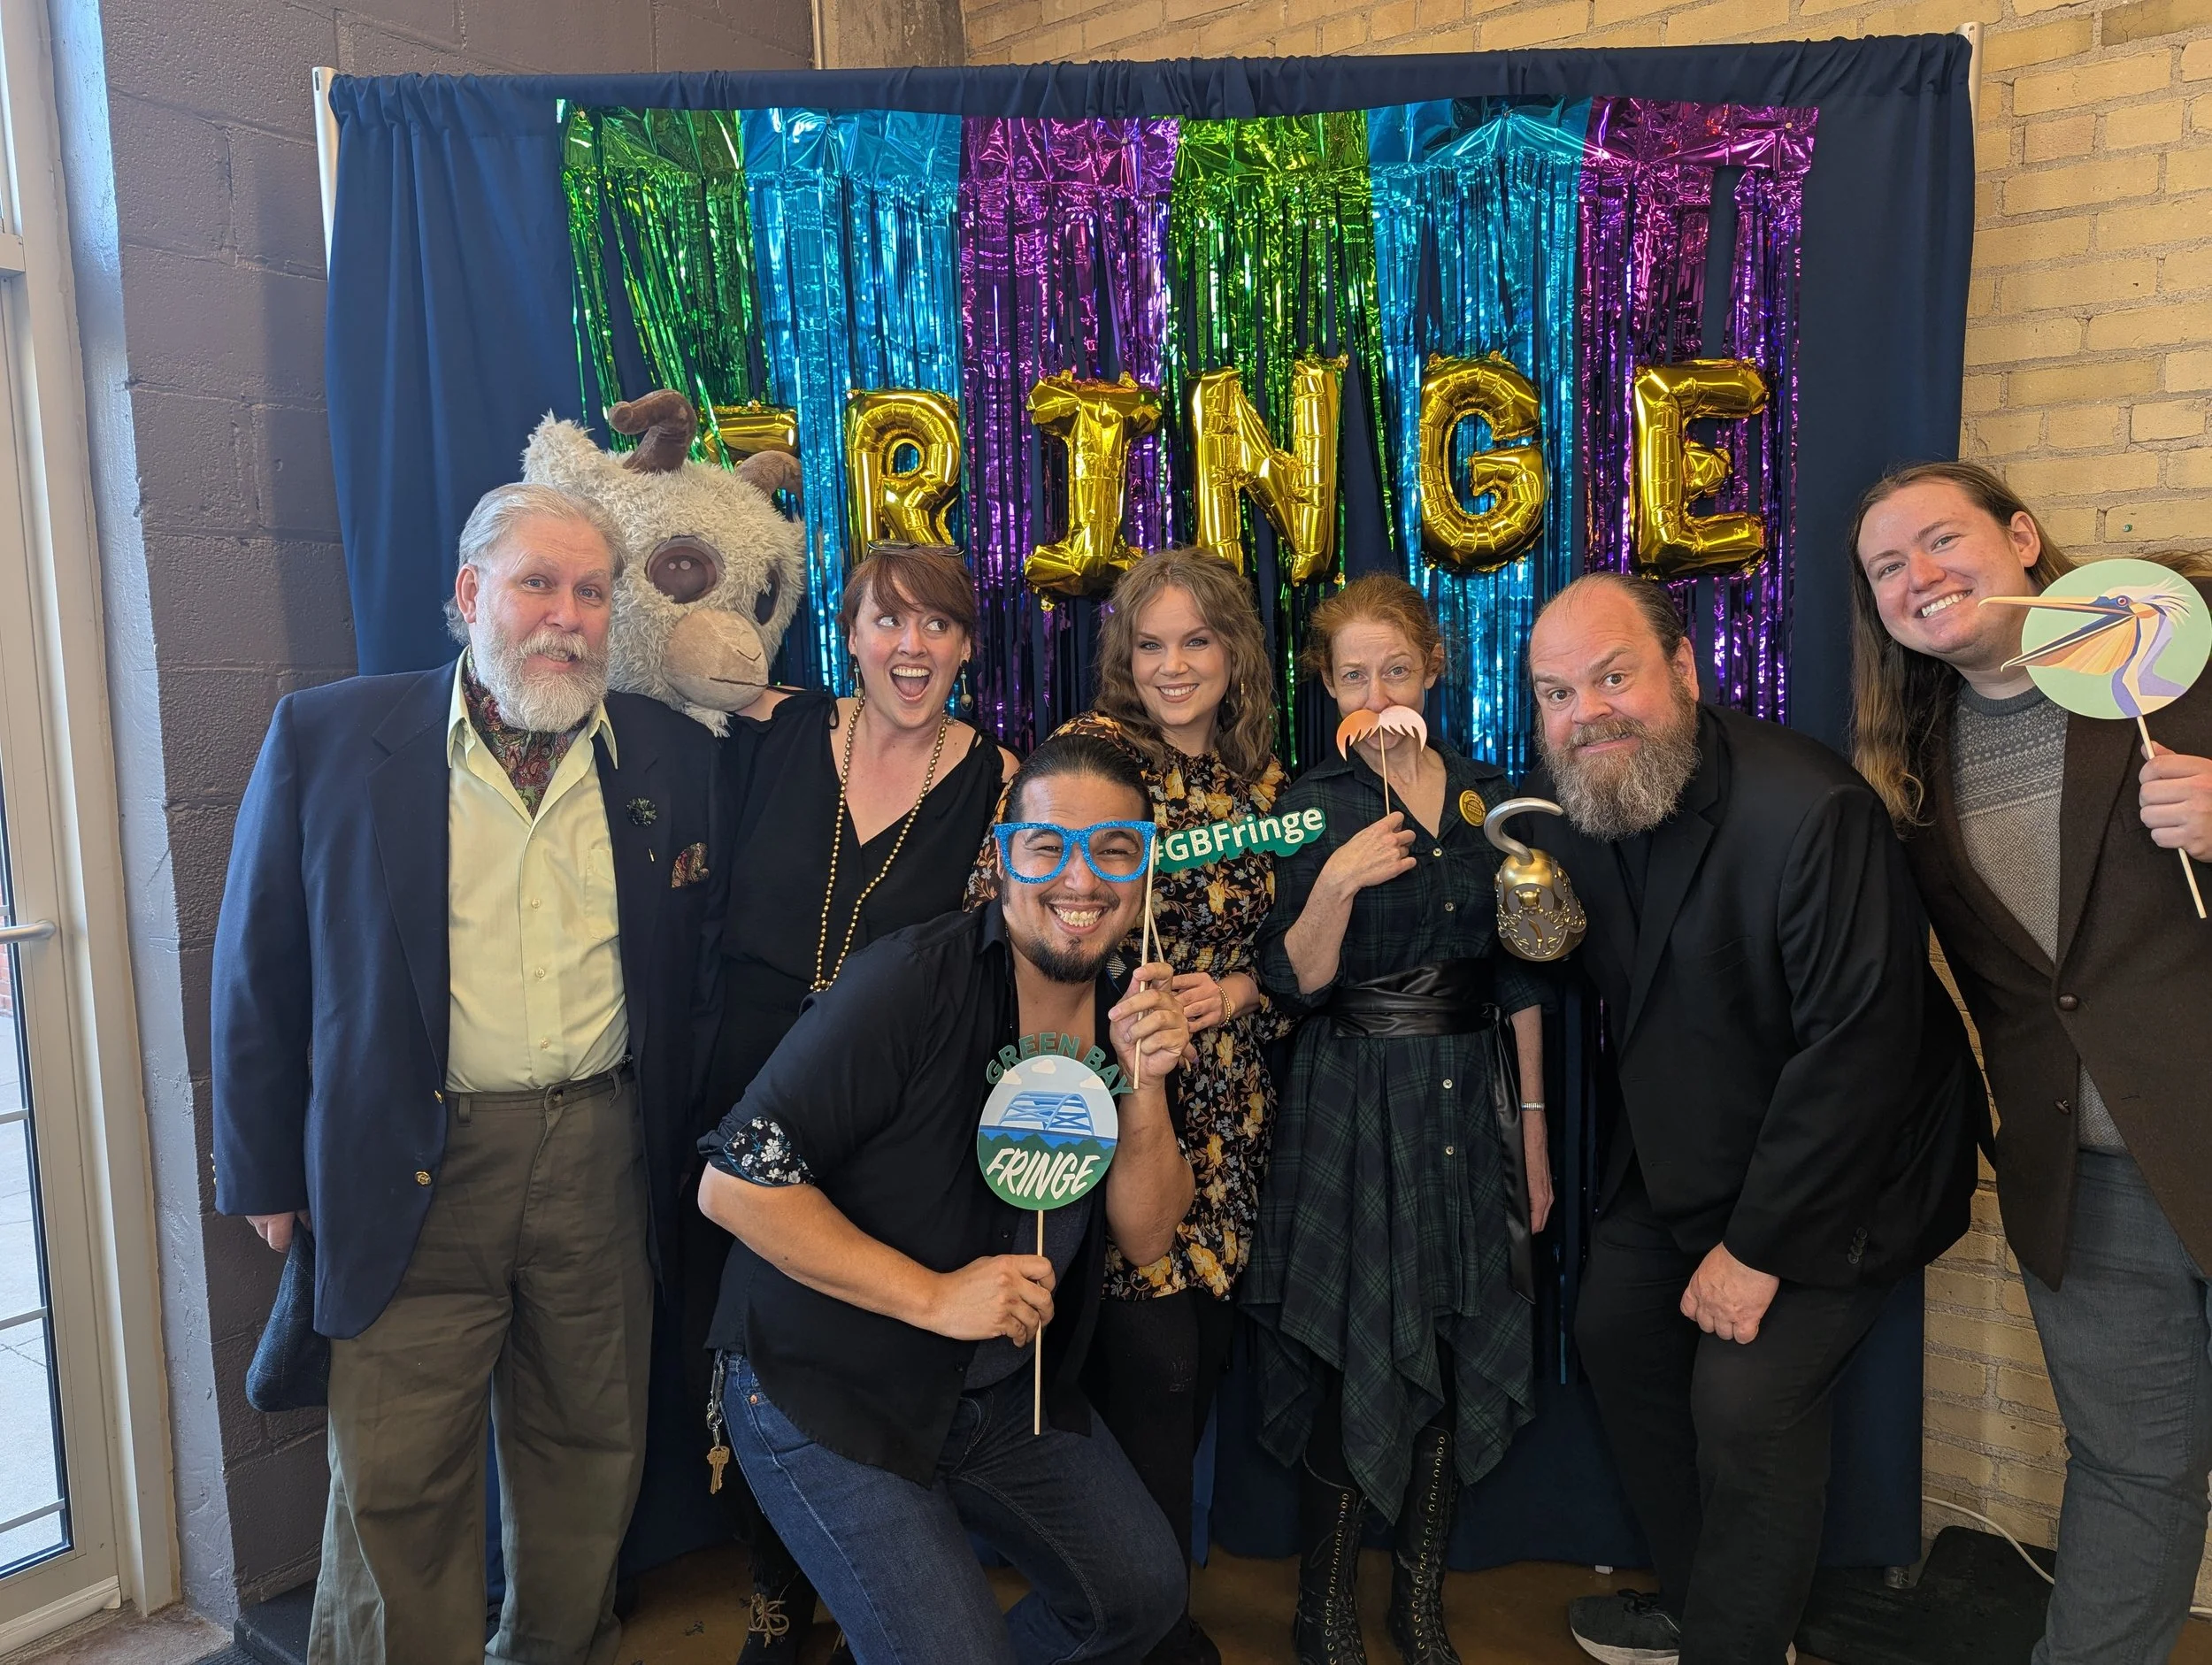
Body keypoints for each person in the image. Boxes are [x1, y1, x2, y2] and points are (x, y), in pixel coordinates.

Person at [211, 482, 729, 1665]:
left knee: (589, 1451)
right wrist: (263, 1171)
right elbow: (257, 969)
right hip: (412, 1161)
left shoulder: (664, 754)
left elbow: (700, 973)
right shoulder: (330, 740)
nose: (567, 616)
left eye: (591, 591)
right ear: (470, 593)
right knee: (396, 1478)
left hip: (603, 1156)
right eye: (537, 582)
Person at [1522, 572, 1980, 1665]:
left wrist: (1756, 1250)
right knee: (1614, 1328)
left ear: (1683, 668)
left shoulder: (1811, 809)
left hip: (1849, 1169)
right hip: (1696, 1146)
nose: (1585, 713)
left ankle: (1737, 1644)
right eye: (1554, 693)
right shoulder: (1580, 798)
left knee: (1743, 1406)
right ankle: (1702, 1605)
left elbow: (1855, 1058)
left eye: (1612, 676)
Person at [696, 733, 1194, 1664]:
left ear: (1144, 870)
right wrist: (936, 1297)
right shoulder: (910, 981)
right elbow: (732, 1185)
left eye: (1113, 849)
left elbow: (1147, 1235)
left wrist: (1148, 1086)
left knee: (1141, 1597)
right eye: (1046, 846)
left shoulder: (1131, 1009)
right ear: (1001, 861)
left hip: (997, 1391)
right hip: (828, 1380)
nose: (1080, 878)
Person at [1848, 461, 2212, 1665]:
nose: (1917, 576)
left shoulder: (2176, 662)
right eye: (1886, 567)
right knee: (2130, 1472)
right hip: (2085, 1184)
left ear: (2019, 536)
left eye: (1938, 539)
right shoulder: (1907, 767)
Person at [694, 542, 1017, 1662]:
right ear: (849, 636)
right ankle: (774, 1591)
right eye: (888, 621)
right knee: (722, 1342)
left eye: (937, 625)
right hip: (734, 1075)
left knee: (823, 1342)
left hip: (870, 1114)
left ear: (965, 647)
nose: (910, 646)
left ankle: (851, 1565)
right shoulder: (773, 728)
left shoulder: (998, 782)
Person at [969, 547, 1290, 1665]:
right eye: (1149, 644)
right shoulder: (1098, 757)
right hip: (1120, 1089)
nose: (1172, 665)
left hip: (1231, 1112)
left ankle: (1140, 1612)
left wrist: (1238, 990)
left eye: (1196, 640)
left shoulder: (1261, 782)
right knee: (1145, 1369)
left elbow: (1287, 957)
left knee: (1193, 1368)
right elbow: (1006, 899)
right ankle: (1139, 1623)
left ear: (1234, 651)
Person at [1244, 572, 1552, 1665]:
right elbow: (1291, 982)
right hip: (1355, 1096)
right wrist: (1335, 881)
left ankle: (1418, 1601)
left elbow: (1519, 976)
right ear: (1327, 688)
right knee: (1350, 1351)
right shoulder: (1309, 807)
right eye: (1352, 676)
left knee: (1455, 1348)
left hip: (1470, 1095)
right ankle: (1322, 1606)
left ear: (1432, 669)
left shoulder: (1485, 798)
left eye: (1395, 670)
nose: (1376, 695)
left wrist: (1533, 1134)